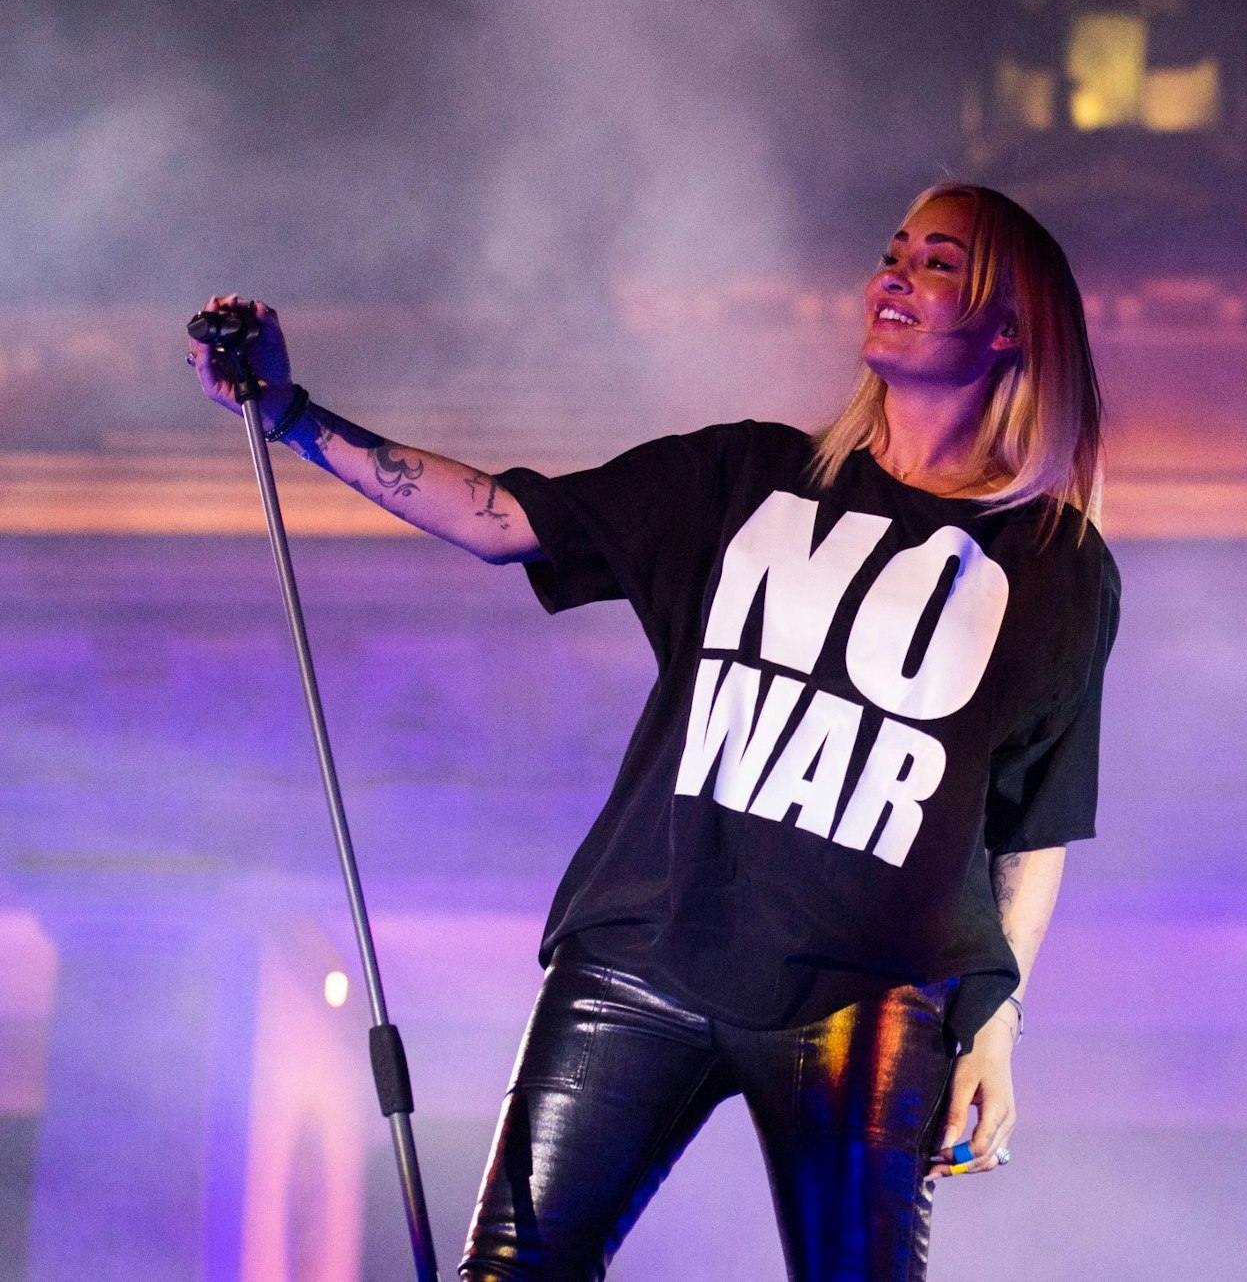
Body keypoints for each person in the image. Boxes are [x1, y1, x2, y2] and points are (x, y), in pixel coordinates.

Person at [188, 182, 1120, 1282]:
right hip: (643, 950)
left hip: (870, 990)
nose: (893, 276)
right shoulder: (744, 474)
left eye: (935, 262)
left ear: (1008, 324)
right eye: (890, 253)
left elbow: (1033, 824)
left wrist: (996, 1029)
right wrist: (295, 415)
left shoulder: (1057, 568)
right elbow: (506, 522)